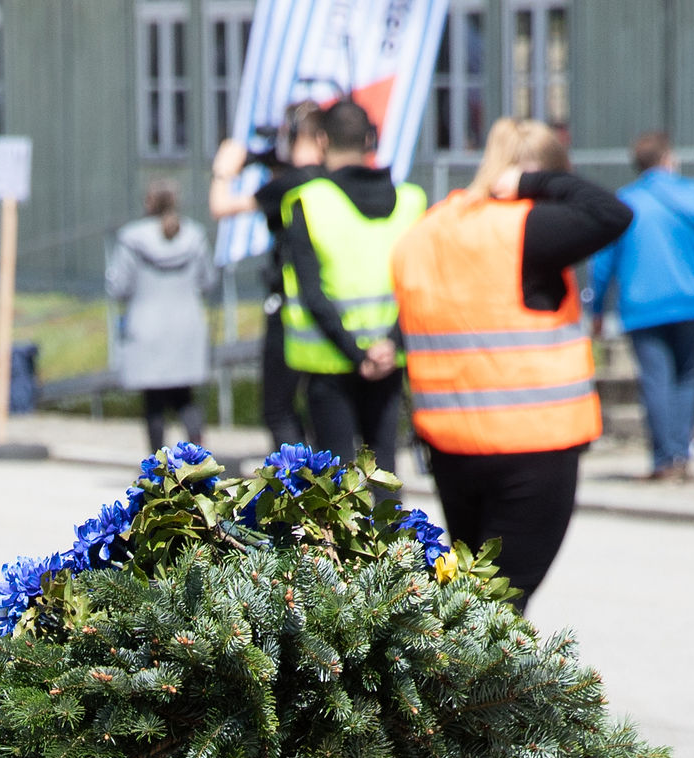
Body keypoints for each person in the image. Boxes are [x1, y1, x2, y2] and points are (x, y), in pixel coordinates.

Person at [395, 119, 631, 610]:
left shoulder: (428, 230)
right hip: (532, 447)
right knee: (500, 607)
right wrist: (534, 182)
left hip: (451, 447)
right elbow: (611, 212)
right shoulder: (526, 228)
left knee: (471, 599)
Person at [279, 98, 425, 472]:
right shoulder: (412, 201)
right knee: (383, 470)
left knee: (335, 476)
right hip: (389, 360)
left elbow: (312, 294)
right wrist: (389, 345)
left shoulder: (307, 202)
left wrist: (357, 355)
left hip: (330, 363)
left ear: (323, 140)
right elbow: (420, 287)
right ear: (370, 140)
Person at [209, 102, 328, 452]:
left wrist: (223, 171)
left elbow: (221, 207)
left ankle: (299, 478)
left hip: (289, 307)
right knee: (322, 404)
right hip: (329, 303)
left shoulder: (291, 184)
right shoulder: (329, 179)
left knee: (277, 407)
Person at [591, 133, 694, 481]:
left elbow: (602, 264)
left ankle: (664, 459)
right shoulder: (692, 194)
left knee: (656, 380)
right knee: (688, 378)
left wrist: (595, 310)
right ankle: (680, 453)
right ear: (668, 158)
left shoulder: (626, 203)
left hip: (643, 306)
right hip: (690, 302)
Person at [107, 178, 216, 453]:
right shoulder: (194, 235)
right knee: (185, 399)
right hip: (187, 327)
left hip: (147, 328)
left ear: (148, 202)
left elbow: (118, 287)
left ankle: (157, 467)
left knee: (154, 403)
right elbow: (208, 281)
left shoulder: (132, 238)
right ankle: (199, 462)